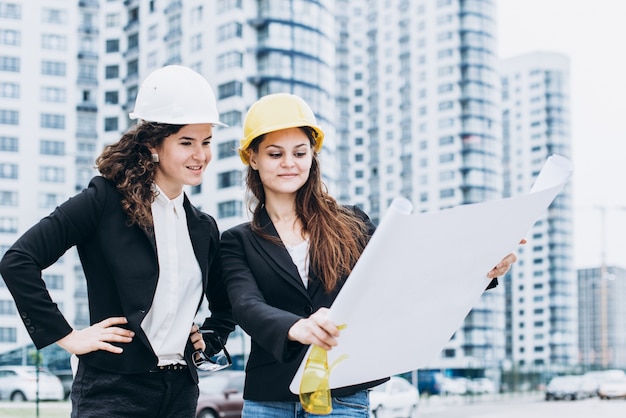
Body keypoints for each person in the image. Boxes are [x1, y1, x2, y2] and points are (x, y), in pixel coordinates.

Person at [220, 93, 519, 417]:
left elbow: (405, 274)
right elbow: (246, 306)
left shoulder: (352, 225)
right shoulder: (237, 241)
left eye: (300, 152)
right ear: (253, 157)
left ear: (313, 154)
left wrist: (481, 266)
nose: (289, 163)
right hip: (270, 399)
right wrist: (297, 327)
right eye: (275, 154)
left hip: (344, 395)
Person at [0, 65, 235, 418]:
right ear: (153, 144)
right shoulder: (104, 200)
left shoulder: (203, 228)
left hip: (181, 392)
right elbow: (18, 260)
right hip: (112, 389)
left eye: (206, 142)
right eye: (186, 142)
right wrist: (68, 337)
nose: (200, 155)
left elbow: (225, 306)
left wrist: (210, 340)